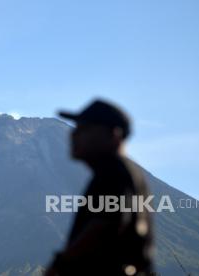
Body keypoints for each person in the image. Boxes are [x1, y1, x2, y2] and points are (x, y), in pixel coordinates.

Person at [45, 99, 154, 275]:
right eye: (76, 128)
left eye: (85, 129)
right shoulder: (117, 173)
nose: (74, 135)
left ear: (114, 135)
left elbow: (107, 223)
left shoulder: (115, 172)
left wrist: (60, 265)